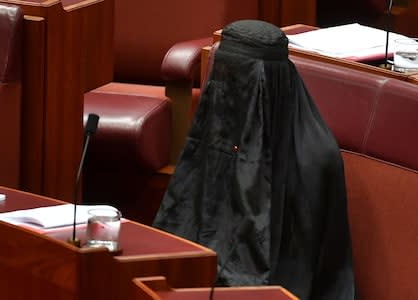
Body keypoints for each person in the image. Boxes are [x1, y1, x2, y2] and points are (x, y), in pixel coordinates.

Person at [153, 19, 357, 300]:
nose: (226, 90)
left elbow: (308, 272)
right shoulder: (218, 129)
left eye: (239, 80)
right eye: (223, 76)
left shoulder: (314, 159)